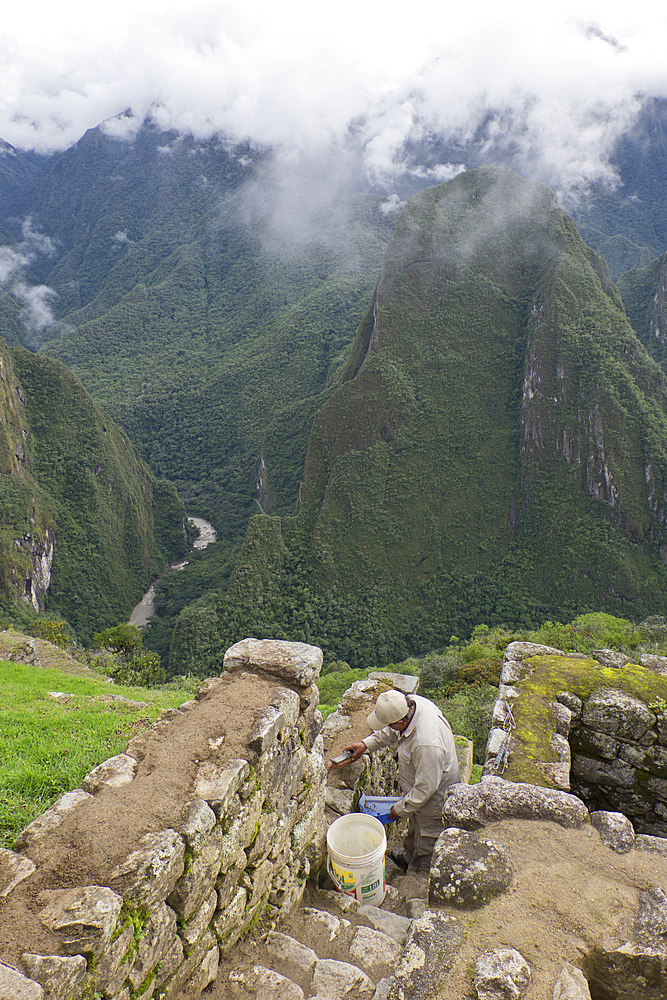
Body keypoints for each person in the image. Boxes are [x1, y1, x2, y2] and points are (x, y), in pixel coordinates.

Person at [331, 689, 460, 873]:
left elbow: (426, 788)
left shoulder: (427, 744)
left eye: (391, 725)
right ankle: (408, 858)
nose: (389, 728)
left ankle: (418, 874)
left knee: (427, 840)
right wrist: (366, 745)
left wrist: (399, 809)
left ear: (400, 721)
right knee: (414, 829)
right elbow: (392, 732)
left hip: (435, 798)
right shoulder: (411, 705)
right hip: (419, 791)